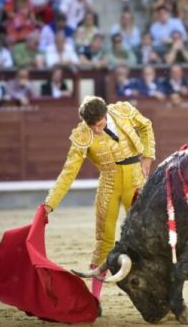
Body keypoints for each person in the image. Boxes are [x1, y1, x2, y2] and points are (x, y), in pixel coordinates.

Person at [44, 95, 155, 308]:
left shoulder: (122, 111)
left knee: (146, 239)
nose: (96, 130)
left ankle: (156, 293)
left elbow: (146, 125)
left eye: (100, 124)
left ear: (106, 115)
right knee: (103, 242)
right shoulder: (82, 134)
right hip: (109, 185)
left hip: (136, 181)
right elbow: (69, 172)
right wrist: (50, 203)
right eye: (92, 126)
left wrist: (148, 156)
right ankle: (94, 300)